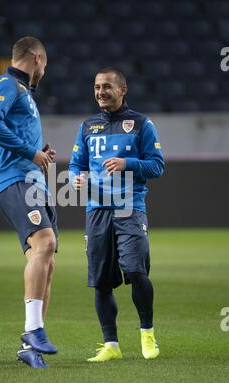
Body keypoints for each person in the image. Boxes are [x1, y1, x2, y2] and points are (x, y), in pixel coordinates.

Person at [69, 67, 165, 362]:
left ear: (123, 90)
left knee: (136, 272)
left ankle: (147, 334)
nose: (100, 92)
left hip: (130, 208)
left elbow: (157, 166)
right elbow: (76, 164)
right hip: (96, 210)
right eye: (97, 87)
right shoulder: (87, 126)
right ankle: (111, 344)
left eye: (107, 86)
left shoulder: (141, 124)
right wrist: (77, 178)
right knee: (100, 281)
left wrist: (128, 163)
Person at [0, 37, 58, 369]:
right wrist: (31, 152)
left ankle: (31, 345)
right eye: (45, 63)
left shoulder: (25, 93)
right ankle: (35, 330)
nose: (45, 69)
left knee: (47, 260)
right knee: (45, 243)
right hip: (14, 180)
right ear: (37, 57)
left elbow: (20, 136)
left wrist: (40, 153)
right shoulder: (6, 83)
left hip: (32, 182)